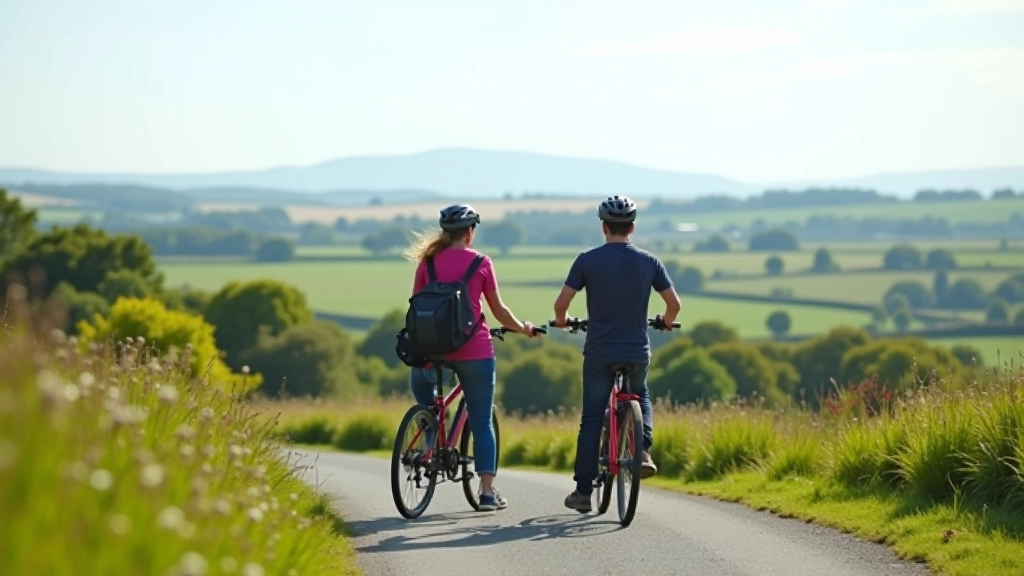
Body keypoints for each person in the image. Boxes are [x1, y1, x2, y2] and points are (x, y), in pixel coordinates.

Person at [405, 203, 541, 511]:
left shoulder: (427, 262)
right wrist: (524, 329)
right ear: (470, 232)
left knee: (424, 390)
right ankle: (487, 493)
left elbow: (415, 305)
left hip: (431, 349)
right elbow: (499, 312)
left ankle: (429, 429)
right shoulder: (480, 262)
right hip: (474, 352)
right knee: (481, 422)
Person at [551, 195, 681, 513]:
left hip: (598, 351)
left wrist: (563, 322)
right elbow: (674, 305)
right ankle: (643, 452)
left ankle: (583, 493)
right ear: (632, 227)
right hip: (636, 350)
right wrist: (665, 322)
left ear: (604, 227)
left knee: (592, 419)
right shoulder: (650, 262)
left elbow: (560, 305)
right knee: (640, 395)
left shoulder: (587, 260)